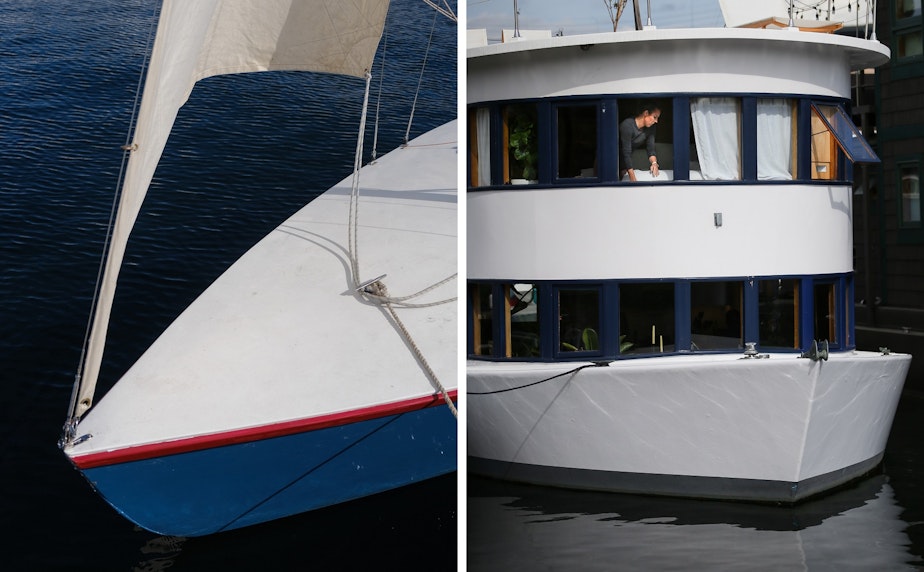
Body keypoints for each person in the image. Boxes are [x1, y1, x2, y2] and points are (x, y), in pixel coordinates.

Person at [619, 104, 661, 182]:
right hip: (610, 160)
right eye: (654, 117)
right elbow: (626, 153)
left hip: (625, 164)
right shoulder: (627, 125)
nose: (656, 121)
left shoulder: (651, 128)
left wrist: (654, 163)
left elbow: (650, 149)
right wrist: (633, 180)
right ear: (646, 113)